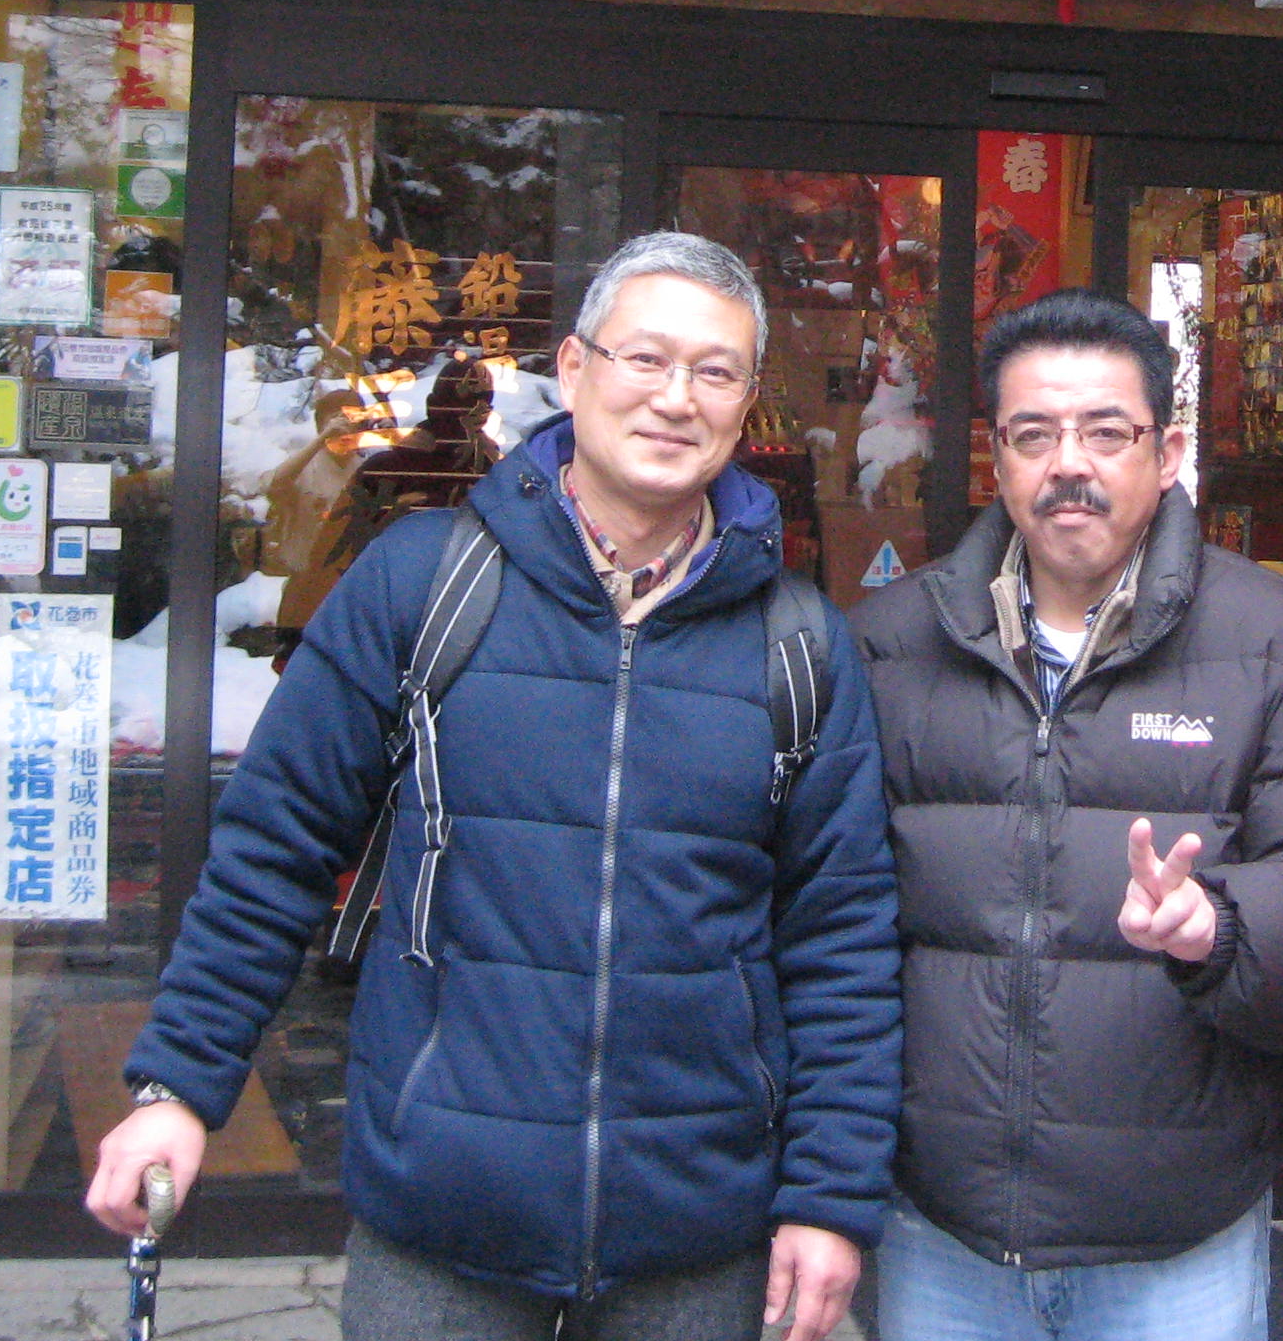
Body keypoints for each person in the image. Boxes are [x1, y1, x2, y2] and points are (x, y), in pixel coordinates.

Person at [86, 232, 901, 1341]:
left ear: (746, 401)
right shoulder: (426, 582)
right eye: (645, 359)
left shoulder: (798, 643)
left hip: (696, 1232)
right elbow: (273, 848)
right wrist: (180, 1088)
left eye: (715, 372)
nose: (676, 398)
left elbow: (841, 936)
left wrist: (829, 1197)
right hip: (442, 1214)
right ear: (573, 369)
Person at [851, 287, 1283, 1339]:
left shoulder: (1279, 645)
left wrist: (1221, 928)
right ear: (996, 456)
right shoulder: (891, 645)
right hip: (942, 1220)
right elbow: (829, 917)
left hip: (1176, 1228)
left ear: (1168, 450)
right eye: (1034, 435)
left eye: (1107, 432)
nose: (1070, 465)